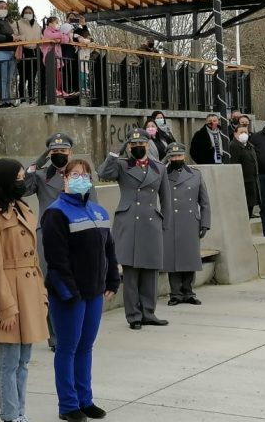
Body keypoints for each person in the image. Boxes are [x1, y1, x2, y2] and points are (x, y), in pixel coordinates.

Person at [41, 158, 119, 422]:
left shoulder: (98, 212)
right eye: (75, 174)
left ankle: (86, 400)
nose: (80, 179)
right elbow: (56, 260)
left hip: (94, 292)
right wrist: (70, 292)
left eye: (85, 175)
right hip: (69, 295)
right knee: (68, 348)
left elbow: (108, 249)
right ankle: (68, 404)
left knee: (86, 347)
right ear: (65, 179)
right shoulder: (56, 212)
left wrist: (112, 280)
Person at [0, 158, 50, 422]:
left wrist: (41, 294)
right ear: (6, 181)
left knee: (23, 361)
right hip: (9, 295)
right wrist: (5, 306)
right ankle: (10, 419)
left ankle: (20, 414)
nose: (23, 182)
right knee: (9, 361)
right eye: (18, 178)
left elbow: (35, 260)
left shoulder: (22, 209)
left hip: (29, 294)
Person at [24, 133, 99, 350]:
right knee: (54, 284)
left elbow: (92, 204)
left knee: (77, 282)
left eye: (62, 151)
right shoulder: (41, 176)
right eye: (54, 152)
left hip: (78, 234)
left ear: (70, 153)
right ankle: (56, 337)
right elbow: (23, 188)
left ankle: (77, 332)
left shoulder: (80, 176)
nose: (59, 155)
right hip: (49, 235)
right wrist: (37, 163)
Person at [97, 128, 171, 330]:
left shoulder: (159, 168)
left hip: (151, 223)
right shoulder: (122, 165)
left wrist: (166, 225)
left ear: (148, 145)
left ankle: (149, 312)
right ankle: (134, 316)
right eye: (134, 145)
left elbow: (165, 199)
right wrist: (116, 153)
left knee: (150, 270)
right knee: (130, 273)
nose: (138, 147)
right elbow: (102, 173)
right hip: (128, 221)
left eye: (141, 144)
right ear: (129, 146)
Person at [162, 143, 210, 305]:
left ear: (184, 156)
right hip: (170, 221)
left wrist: (205, 223)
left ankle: (188, 292)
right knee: (172, 258)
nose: (176, 159)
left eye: (179, 156)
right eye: (173, 156)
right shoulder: (162, 174)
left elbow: (204, 202)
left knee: (190, 257)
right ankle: (175, 293)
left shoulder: (195, 174)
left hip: (190, 221)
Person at [0, 0, 19, 107]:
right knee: (3, 78)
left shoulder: (5, 22)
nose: (4, 9)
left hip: (10, 52)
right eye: (1, 7)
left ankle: (8, 100)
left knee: (9, 79)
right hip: (0, 52)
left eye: (5, 7)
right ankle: (2, 101)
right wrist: (11, 37)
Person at [229, 123, 260, 218]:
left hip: (252, 179)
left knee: (251, 203)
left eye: (245, 132)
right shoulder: (233, 146)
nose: (244, 134)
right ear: (235, 134)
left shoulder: (250, 146)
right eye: (241, 132)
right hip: (243, 180)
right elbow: (234, 164)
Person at [14, 6, 42, 105]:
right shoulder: (17, 23)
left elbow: (41, 37)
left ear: (33, 13)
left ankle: (32, 99)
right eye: (26, 12)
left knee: (32, 77)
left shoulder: (37, 25)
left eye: (30, 12)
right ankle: (22, 100)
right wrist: (23, 38)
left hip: (35, 52)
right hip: (24, 51)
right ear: (23, 13)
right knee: (23, 77)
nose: (28, 13)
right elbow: (13, 36)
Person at [41, 17, 70, 98]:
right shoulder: (46, 30)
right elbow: (50, 36)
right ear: (50, 23)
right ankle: (54, 89)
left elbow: (67, 39)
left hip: (58, 57)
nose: (57, 24)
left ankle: (59, 89)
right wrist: (61, 35)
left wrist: (60, 39)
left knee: (59, 75)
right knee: (52, 74)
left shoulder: (58, 31)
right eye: (56, 22)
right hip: (49, 56)